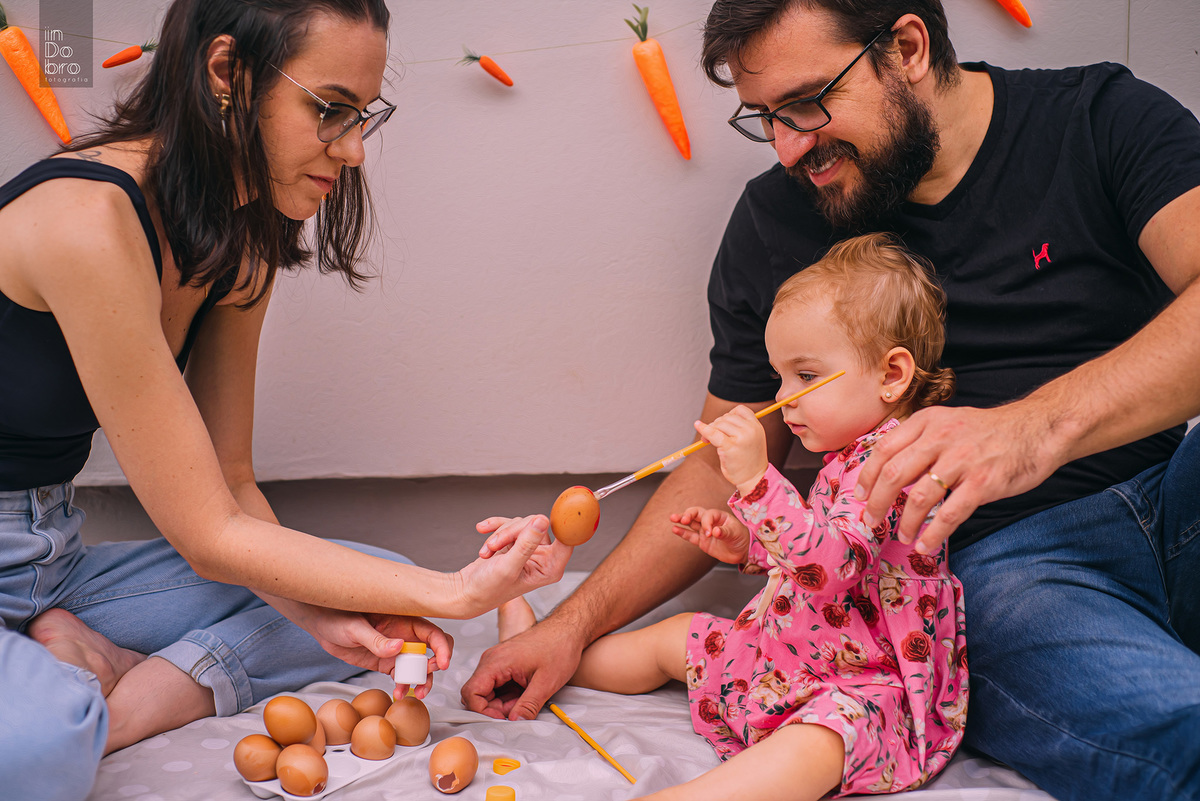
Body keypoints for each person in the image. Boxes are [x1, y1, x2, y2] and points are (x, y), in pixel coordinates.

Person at [463, 2, 1200, 800]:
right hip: (1005, 564)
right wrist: (569, 626)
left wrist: (1030, 428)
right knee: (1178, 729)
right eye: (765, 118)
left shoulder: (1101, 119)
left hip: (1177, 488)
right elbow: (723, 461)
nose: (788, 147)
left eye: (808, 103)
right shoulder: (774, 221)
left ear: (909, 48)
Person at [0, 1, 571, 799]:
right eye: (329, 110)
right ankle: (112, 700)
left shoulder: (241, 244)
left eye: (362, 116)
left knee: (372, 582)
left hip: (48, 564)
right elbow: (207, 536)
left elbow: (230, 487)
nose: (356, 151)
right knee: (33, 753)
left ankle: (103, 678)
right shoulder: (86, 221)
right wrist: (456, 592)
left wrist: (318, 614)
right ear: (227, 74)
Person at [493, 233, 967, 800]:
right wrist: (746, 543)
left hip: (861, 677)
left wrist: (755, 480)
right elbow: (817, 546)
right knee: (676, 638)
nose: (784, 398)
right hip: (795, 649)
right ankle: (546, 661)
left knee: (822, 740)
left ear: (892, 375)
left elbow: (836, 567)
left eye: (808, 376)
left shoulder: (900, 464)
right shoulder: (851, 452)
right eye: (781, 377)